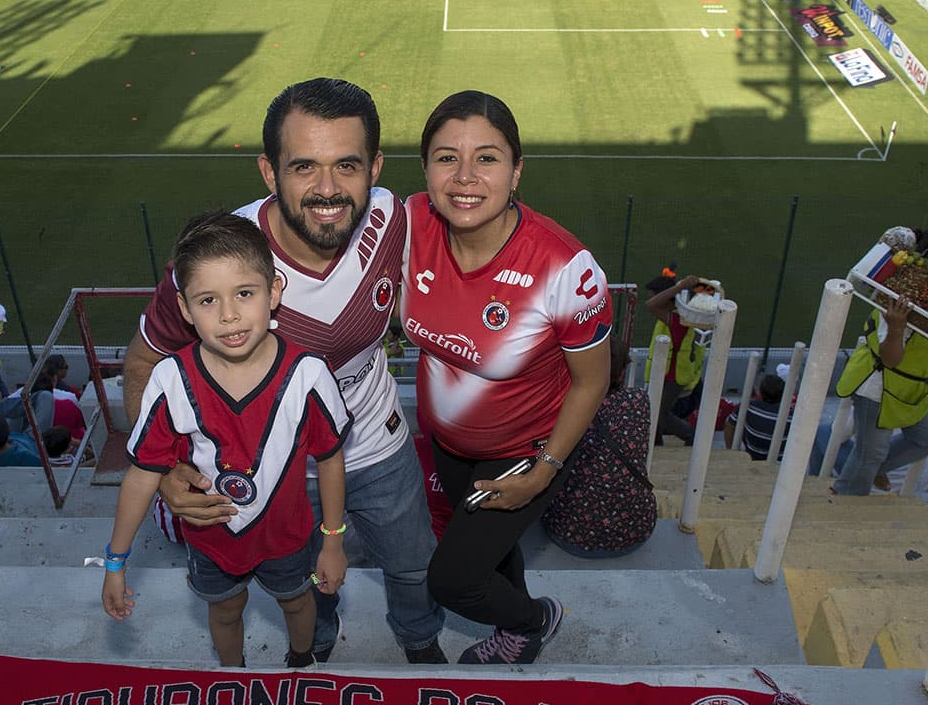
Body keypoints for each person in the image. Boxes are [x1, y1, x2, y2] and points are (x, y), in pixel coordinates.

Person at [122, 78, 446, 665]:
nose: (327, 190)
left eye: (347, 165)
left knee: (413, 561)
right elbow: (144, 363)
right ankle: (317, 637)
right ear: (270, 173)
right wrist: (167, 469)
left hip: (373, 439)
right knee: (302, 579)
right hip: (270, 466)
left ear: (375, 167)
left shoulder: (396, 221)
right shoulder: (216, 265)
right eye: (303, 167)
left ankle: (419, 635)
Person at [401, 90, 612, 665]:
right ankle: (515, 631)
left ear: (517, 171)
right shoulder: (407, 223)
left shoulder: (564, 267)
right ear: (425, 169)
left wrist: (544, 471)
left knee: (453, 581)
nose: (465, 176)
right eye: (447, 157)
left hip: (523, 453)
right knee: (491, 555)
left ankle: (535, 619)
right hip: (448, 445)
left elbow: (593, 382)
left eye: (487, 158)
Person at [104, 211, 351, 669]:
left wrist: (333, 541)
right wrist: (115, 563)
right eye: (207, 300)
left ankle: (301, 660)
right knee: (224, 609)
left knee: (297, 604)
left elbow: (331, 460)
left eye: (244, 293)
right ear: (183, 309)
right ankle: (233, 674)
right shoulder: (170, 379)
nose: (229, 315)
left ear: (273, 291)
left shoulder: (309, 374)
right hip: (211, 539)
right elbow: (142, 476)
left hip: (288, 537)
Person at [833, 227, 928, 495]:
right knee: (869, 456)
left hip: (911, 390)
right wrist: (896, 328)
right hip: (878, 385)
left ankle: (871, 471)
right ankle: (845, 502)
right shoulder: (903, 295)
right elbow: (889, 359)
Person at [541, 336, 656, 557]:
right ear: (622, 371)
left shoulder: (560, 408)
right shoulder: (639, 400)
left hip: (569, 533)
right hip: (636, 532)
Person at [645, 274, 709, 444]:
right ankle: (655, 442)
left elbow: (651, 305)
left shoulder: (678, 320)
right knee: (655, 411)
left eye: (655, 294)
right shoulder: (678, 317)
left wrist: (679, 287)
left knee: (658, 413)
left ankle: (691, 436)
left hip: (673, 376)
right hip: (666, 372)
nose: (651, 298)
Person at [724, 373, 791, 461]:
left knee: (732, 420)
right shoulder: (791, 416)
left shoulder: (748, 407)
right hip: (778, 461)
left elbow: (729, 425)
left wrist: (731, 450)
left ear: (760, 392)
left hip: (753, 456)